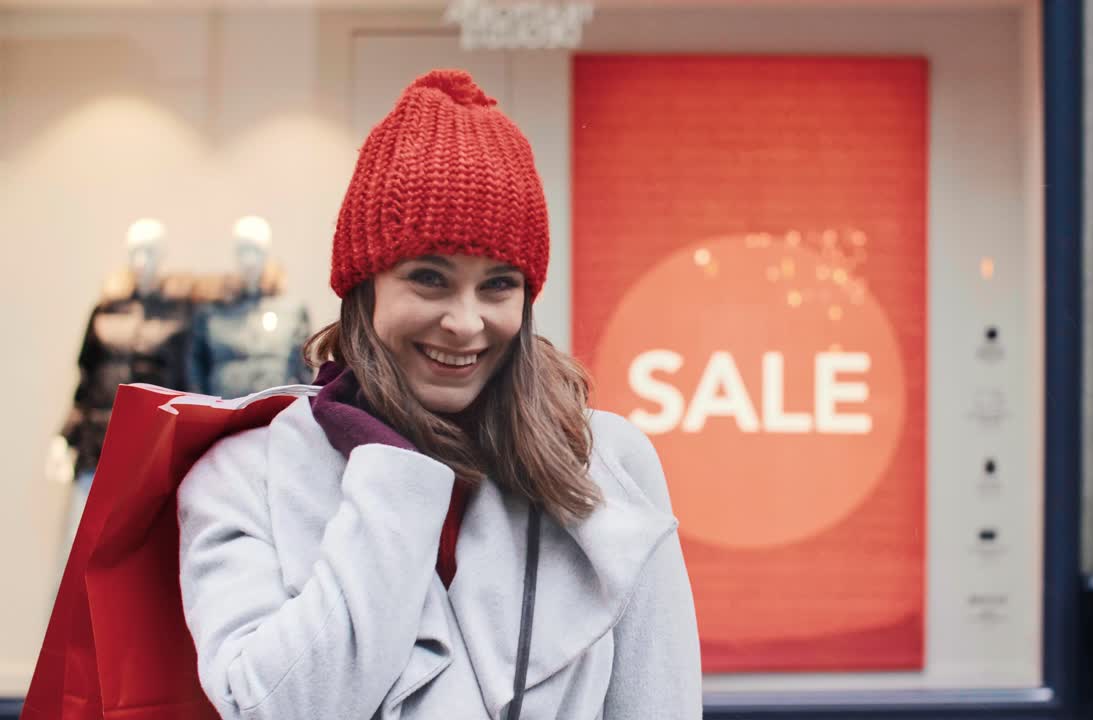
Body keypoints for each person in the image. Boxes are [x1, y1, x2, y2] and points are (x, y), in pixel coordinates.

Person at [175, 69, 702, 720]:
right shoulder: (242, 475)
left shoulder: (605, 460)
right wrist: (394, 475)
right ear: (364, 287)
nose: (465, 321)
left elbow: (660, 703)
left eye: (498, 285)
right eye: (429, 278)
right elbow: (279, 709)